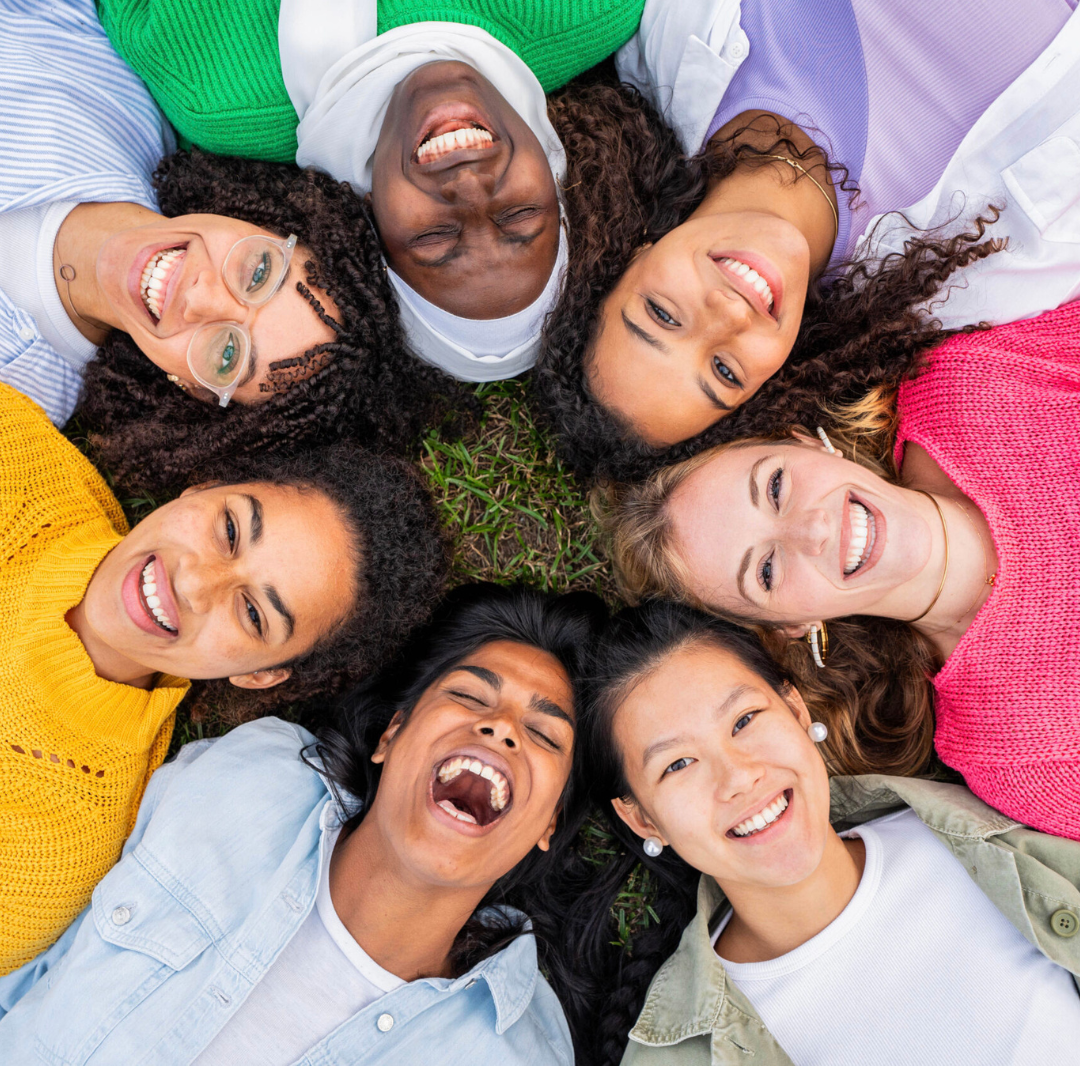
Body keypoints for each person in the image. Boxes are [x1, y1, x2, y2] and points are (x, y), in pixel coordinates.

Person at [0, 583, 607, 1066]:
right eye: (470, 697)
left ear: (549, 823)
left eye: (543, 733)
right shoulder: (249, 778)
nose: (502, 728)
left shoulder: (515, 1051)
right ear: (391, 735)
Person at [534, 0, 1080, 481]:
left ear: (630, 254)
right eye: (725, 371)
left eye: (663, 314)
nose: (728, 315)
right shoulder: (975, 273)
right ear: (767, 386)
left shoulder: (669, 36)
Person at [0, 378, 447, 975]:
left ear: (260, 676)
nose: (193, 583)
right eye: (230, 530)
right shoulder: (18, 459)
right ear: (204, 486)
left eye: (253, 613)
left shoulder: (49, 851)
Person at [596, 300, 1080, 839]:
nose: (813, 530)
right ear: (790, 626)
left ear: (805, 441)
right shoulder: (1013, 749)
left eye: (776, 486)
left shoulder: (972, 384)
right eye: (766, 571)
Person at [566, 602, 1080, 1066]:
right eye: (678, 764)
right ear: (643, 819)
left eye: (744, 720)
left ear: (796, 711)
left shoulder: (1004, 820)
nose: (738, 777)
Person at [1, 0, 462, 495]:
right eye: (259, 272)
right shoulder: (117, 96)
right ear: (260, 220)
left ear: (193, 391)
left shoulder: (19, 406)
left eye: (227, 356)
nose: (201, 297)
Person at [88, 0, 651, 380]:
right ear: (555, 174)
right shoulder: (594, 2)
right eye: (520, 215)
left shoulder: (217, 95)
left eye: (434, 237)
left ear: (367, 216)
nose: (469, 188)